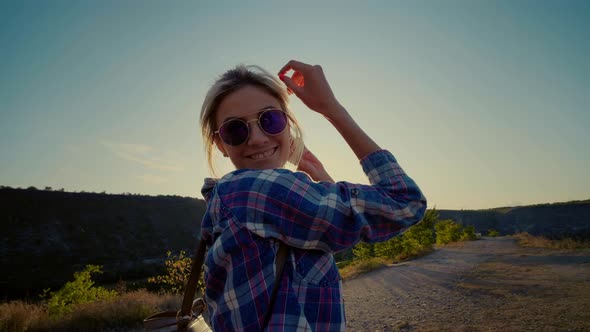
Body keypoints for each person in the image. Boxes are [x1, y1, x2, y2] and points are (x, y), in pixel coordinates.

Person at [199, 60, 427, 331]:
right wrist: (331, 108)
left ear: (287, 124)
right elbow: (404, 202)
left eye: (270, 119)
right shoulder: (249, 191)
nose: (258, 138)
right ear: (220, 144)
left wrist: (322, 178)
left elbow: (335, 237)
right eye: (235, 130)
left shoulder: (226, 199)